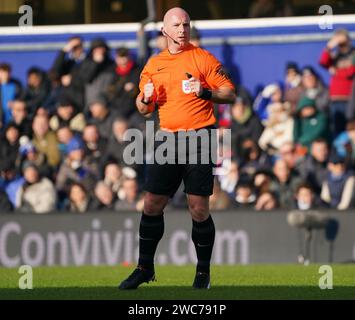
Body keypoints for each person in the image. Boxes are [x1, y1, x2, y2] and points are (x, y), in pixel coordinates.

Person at [119, 7, 235, 290]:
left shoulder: (203, 58)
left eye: (186, 24)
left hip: (200, 137)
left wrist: (204, 91)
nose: (182, 29)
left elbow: (230, 93)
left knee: (198, 208)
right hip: (167, 139)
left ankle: (203, 273)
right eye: (177, 25)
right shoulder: (153, 64)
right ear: (164, 31)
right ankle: (144, 268)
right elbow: (144, 110)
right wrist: (145, 100)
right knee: (151, 204)